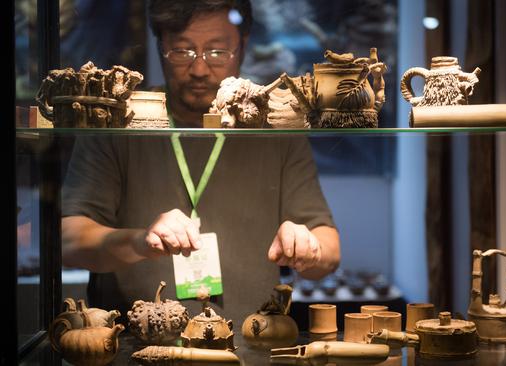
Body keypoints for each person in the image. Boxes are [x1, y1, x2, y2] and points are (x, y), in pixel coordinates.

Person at [61, 0, 340, 323]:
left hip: (249, 346)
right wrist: (139, 241)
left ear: (243, 45)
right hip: (132, 345)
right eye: (182, 51)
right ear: (160, 45)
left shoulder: (275, 128)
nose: (199, 69)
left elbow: (330, 249)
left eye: (217, 52)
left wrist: (308, 246)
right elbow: (68, 239)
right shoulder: (120, 121)